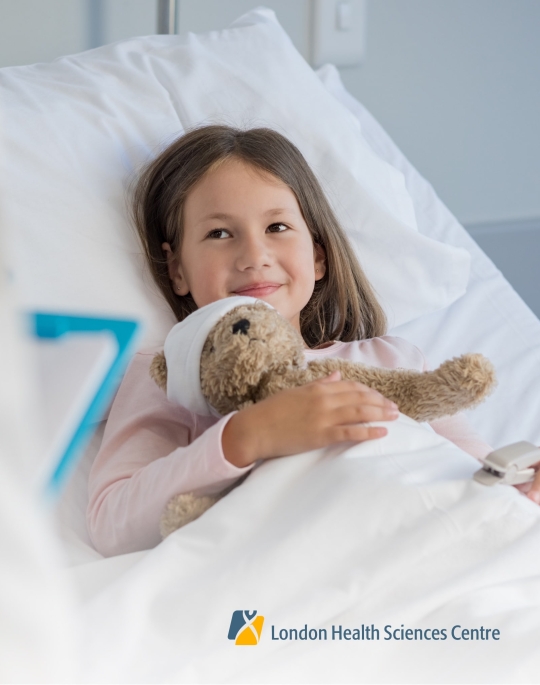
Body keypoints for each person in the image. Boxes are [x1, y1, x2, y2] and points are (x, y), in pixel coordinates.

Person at [86, 125, 539, 557]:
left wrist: (526, 480)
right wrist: (245, 437)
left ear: (318, 255)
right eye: (219, 233)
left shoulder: (392, 358)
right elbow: (112, 523)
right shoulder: (173, 373)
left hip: (426, 544)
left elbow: (479, 471)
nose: (254, 257)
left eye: (277, 228)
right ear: (177, 270)